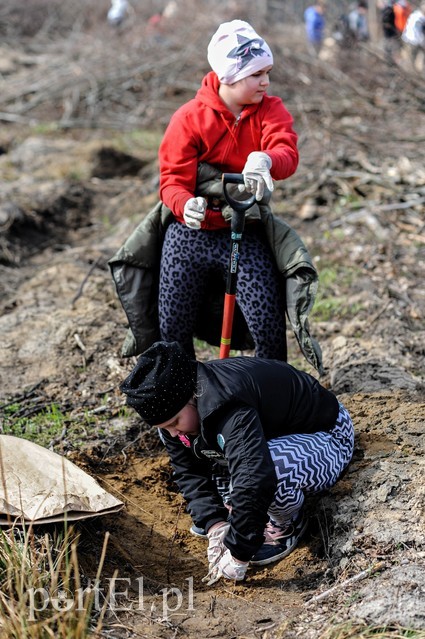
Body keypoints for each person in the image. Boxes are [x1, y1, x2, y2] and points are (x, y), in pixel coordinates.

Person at [120, 341, 355, 583]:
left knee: (274, 468)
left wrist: (239, 552)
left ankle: (286, 524)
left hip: (327, 437)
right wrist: (214, 523)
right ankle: (238, 514)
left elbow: (254, 476)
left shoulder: (228, 405)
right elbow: (188, 472)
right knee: (215, 463)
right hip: (271, 437)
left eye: (175, 422)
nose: (172, 433)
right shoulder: (176, 413)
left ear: (191, 397)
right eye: (164, 427)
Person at [157, 20, 298, 362]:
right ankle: (182, 403)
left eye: (267, 72)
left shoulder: (271, 110)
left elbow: (287, 153)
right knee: (171, 324)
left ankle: (270, 395)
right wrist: (184, 204)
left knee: (267, 322)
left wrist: (266, 159)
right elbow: (171, 179)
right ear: (228, 76)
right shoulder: (189, 118)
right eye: (255, 73)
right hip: (190, 233)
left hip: (244, 230)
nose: (265, 81)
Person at [401, 3, 425, 70]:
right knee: (412, 62)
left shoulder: (415, 15)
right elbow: (417, 33)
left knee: (411, 61)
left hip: (408, 40)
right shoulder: (419, 19)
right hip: (413, 42)